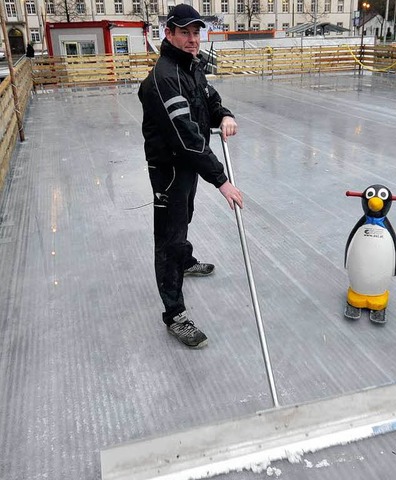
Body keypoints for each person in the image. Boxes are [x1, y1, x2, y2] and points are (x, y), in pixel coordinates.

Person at [138, 3, 243, 348]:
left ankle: (185, 261)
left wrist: (223, 114)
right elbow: (186, 137)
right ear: (168, 34)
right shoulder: (164, 78)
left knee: (186, 218)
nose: (193, 39)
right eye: (185, 32)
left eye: (196, 32)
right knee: (169, 237)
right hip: (169, 169)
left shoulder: (190, 67)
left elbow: (208, 99)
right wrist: (222, 180)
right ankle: (174, 314)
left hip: (187, 165)